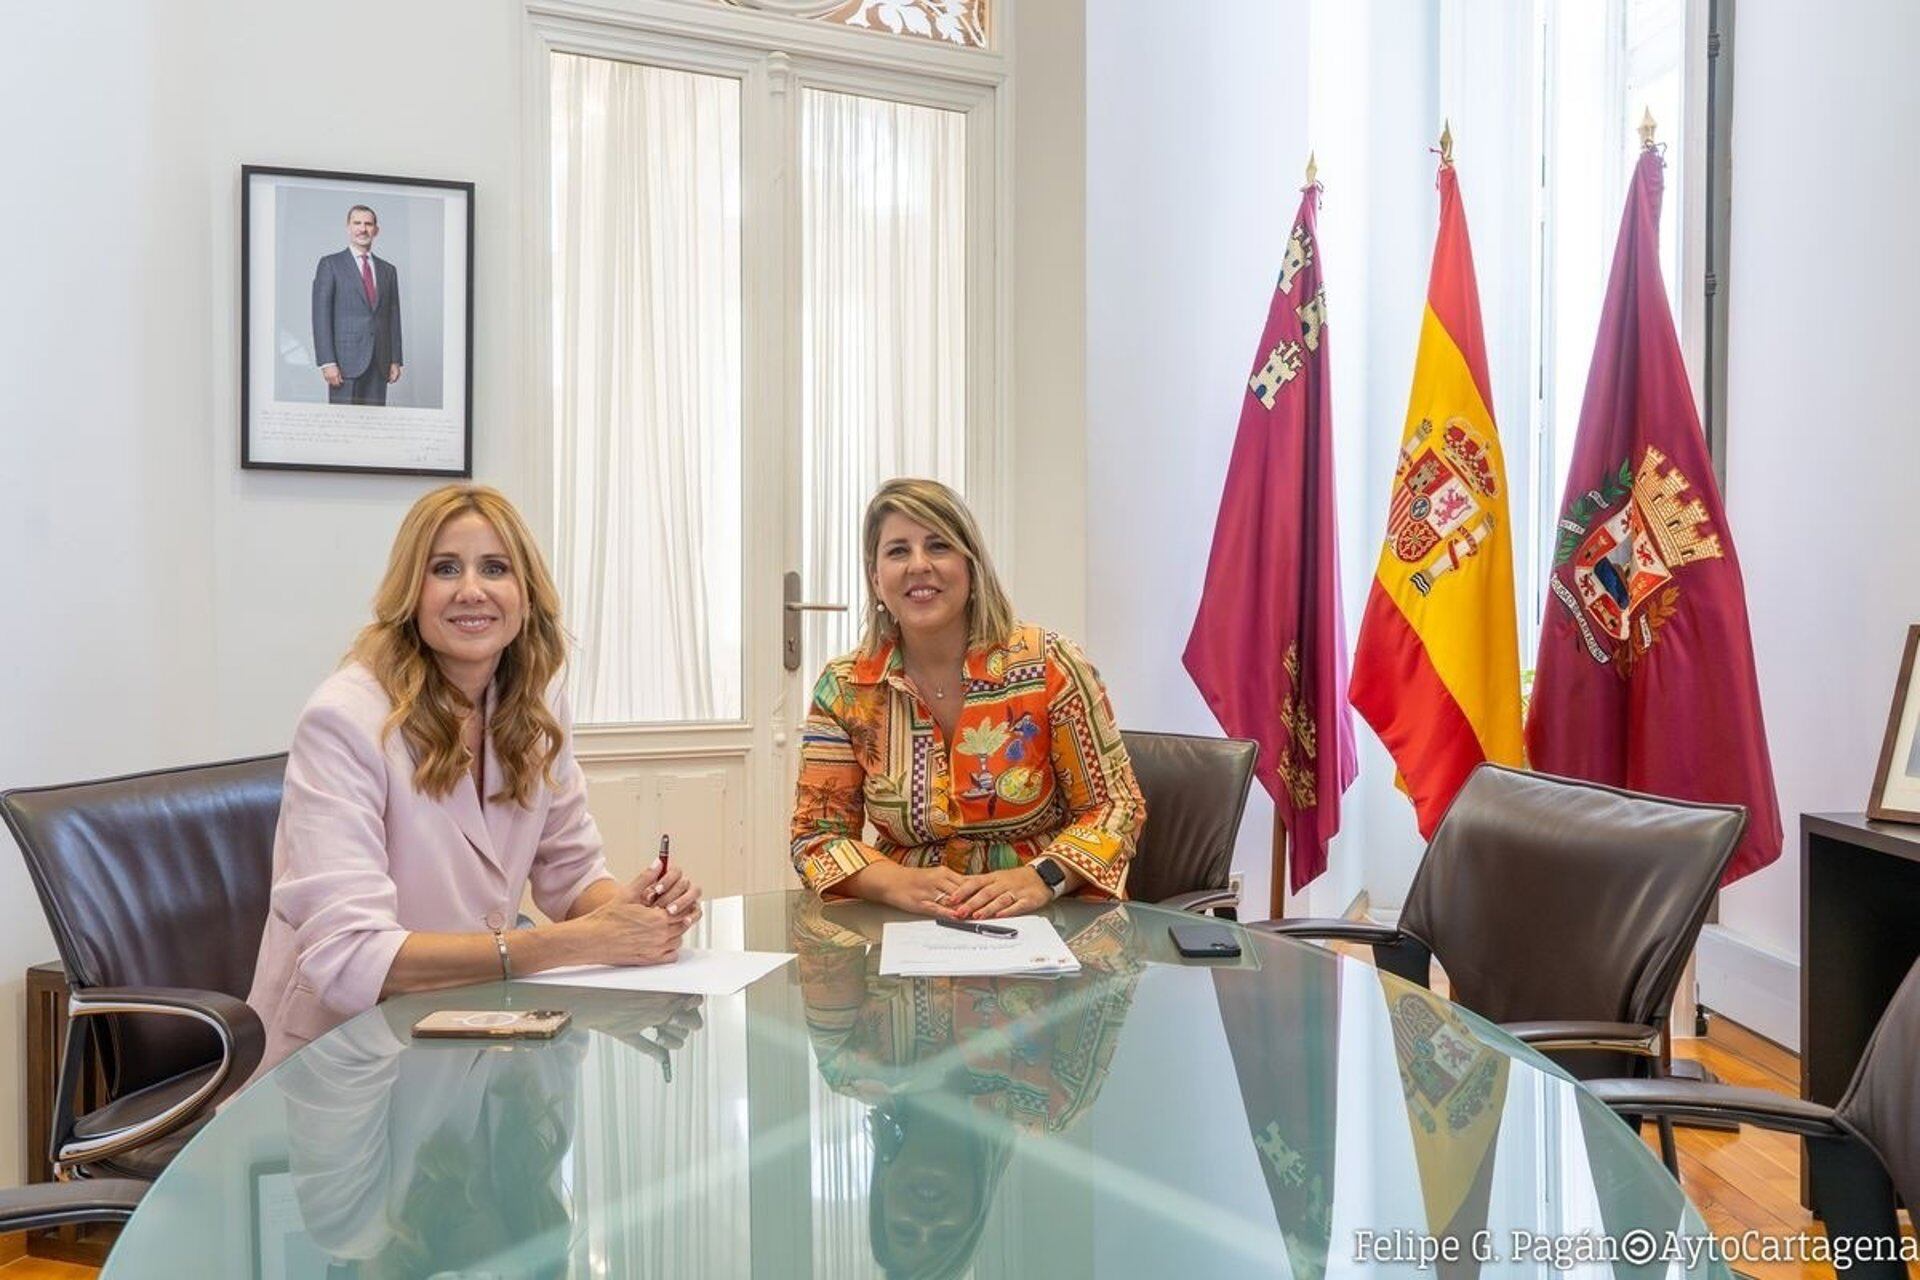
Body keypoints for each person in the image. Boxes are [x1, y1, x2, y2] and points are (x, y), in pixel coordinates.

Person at [246, 484, 701, 1075]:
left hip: (478, 1036)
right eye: (444, 569)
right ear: (411, 593)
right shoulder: (345, 719)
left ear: (526, 594)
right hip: (348, 1058)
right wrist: (587, 941)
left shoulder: (534, 704)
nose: (471, 590)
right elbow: (351, 958)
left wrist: (635, 914)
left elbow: (570, 872)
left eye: (495, 568)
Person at [790, 478, 1145, 918]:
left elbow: (1115, 806)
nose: (919, 565)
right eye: (898, 551)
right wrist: (892, 883)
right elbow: (815, 835)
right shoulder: (845, 688)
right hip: (906, 926)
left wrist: (1043, 877)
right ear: (876, 578)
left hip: (1047, 920)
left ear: (971, 566)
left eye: (938, 546)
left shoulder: (1050, 664)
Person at [312, 204, 404, 406]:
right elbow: (321, 316)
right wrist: (327, 362)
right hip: (344, 364)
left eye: (368, 224)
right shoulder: (330, 264)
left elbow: (393, 316)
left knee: (374, 430)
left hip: (380, 363)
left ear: (376, 230)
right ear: (348, 228)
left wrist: (395, 360)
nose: (363, 229)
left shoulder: (388, 270)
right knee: (343, 429)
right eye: (357, 223)